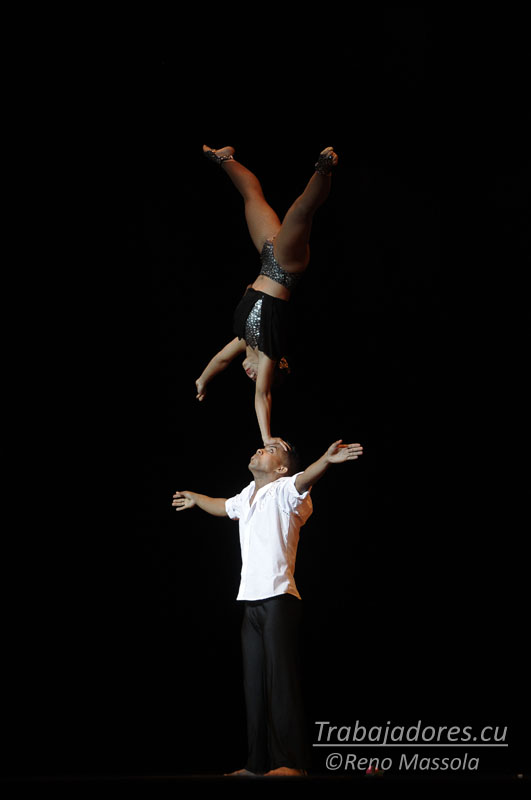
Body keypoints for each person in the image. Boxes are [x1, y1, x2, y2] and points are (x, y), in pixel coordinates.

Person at [172, 438, 363, 777]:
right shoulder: (248, 495)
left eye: (271, 451)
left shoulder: (286, 491)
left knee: (280, 684)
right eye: (263, 447)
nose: (261, 449)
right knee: (254, 687)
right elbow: (223, 506)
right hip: (251, 604)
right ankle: (257, 765)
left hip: (279, 601)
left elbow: (305, 478)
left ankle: (291, 763)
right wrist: (197, 498)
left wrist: (325, 460)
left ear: (281, 468)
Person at [195, 145, 339, 452]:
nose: (250, 375)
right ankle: (324, 168)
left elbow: (220, 359)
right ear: (271, 369)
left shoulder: (245, 342)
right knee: (301, 212)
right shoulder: (268, 349)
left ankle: (225, 159)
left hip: (268, 255)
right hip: (286, 266)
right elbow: (262, 396)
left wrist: (202, 380)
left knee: (251, 196)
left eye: (250, 377)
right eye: (258, 376)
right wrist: (266, 437)